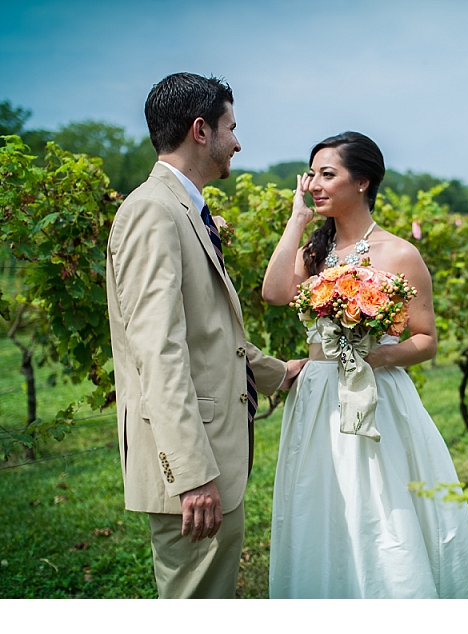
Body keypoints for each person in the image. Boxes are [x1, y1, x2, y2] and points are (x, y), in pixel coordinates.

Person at [262, 131, 468, 598]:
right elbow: (273, 293)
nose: (316, 185)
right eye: (313, 176)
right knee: (321, 505)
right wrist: (296, 221)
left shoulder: (399, 253)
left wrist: (367, 356)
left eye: (328, 175)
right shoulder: (314, 253)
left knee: (382, 510)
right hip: (317, 401)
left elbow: (426, 340)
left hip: (377, 396)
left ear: (363, 181)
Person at [105, 72, 305, 599]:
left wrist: (277, 372)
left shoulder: (183, 208)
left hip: (213, 455)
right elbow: (158, 350)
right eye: (231, 128)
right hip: (194, 470)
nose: (238, 142)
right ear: (201, 130)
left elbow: (208, 332)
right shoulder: (152, 212)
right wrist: (192, 473)